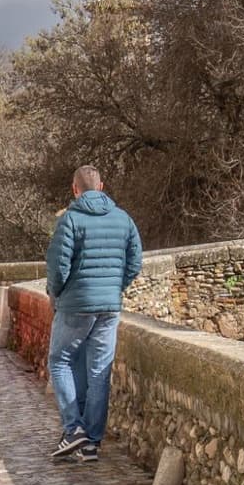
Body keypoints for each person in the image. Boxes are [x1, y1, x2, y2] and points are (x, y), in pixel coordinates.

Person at [45, 165, 143, 464]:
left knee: (59, 361)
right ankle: (91, 444)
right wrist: (116, 287)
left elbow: (58, 267)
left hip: (75, 305)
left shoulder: (70, 220)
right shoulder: (124, 219)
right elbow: (134, 261)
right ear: (101, 186)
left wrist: (55, 293)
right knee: (99, 372)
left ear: (75, 189)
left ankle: (73, 428)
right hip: (109, 307)